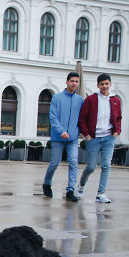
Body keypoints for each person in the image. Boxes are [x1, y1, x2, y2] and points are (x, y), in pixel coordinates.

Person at [76, 73, 121, 203]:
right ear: (98, 85)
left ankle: (101, 193)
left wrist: (117, 131)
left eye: (107, 84)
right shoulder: (91, 100)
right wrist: (87, 135)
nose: (104, 86)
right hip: (94, 138)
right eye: (102, 84)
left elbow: (118, 118)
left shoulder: (115, 101)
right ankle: (80, 187)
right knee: (91, 166)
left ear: (110, 84)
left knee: (106, 165)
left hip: (108, 137)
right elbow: (82, 118)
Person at [43, 72, 84, 202]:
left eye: (76, 82)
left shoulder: (79, 100)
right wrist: (60, 130)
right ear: (66, 82)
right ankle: (47, 183)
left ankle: (70, 190)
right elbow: (53, 117)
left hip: (72, 138)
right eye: (72, 81)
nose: (74, 83)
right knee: (55, 162)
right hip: (57, 137)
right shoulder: (57, 98)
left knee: (73, 162)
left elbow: (82, 118)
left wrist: (80, 131)